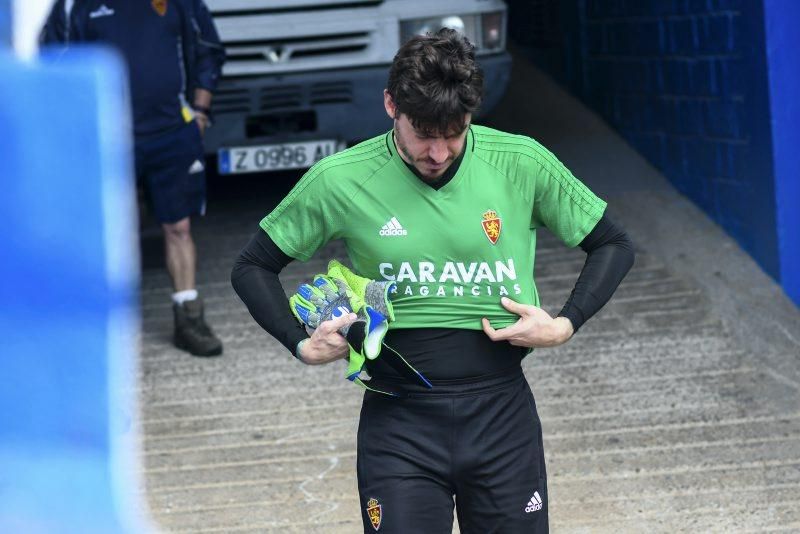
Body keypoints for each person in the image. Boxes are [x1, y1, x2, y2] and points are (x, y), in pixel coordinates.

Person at [232, 29, 634, 533]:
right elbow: (252, 266)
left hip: (502, 416)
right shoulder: (341, 178)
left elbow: (614, 244)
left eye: (454, 132)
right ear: (390, 105)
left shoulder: (521, 161)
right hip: (399, 423)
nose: (439, 152)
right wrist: (299, 343)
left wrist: (565, 324)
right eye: (423, 132)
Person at [42, 0, 226, 357]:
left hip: (173, 134)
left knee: (179, 228)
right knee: (109, 234)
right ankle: (99, 323)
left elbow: (209, 51)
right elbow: (54, 66)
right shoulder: (73, 6)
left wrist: (200, 111)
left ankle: (189, 317)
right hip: (108, 139)